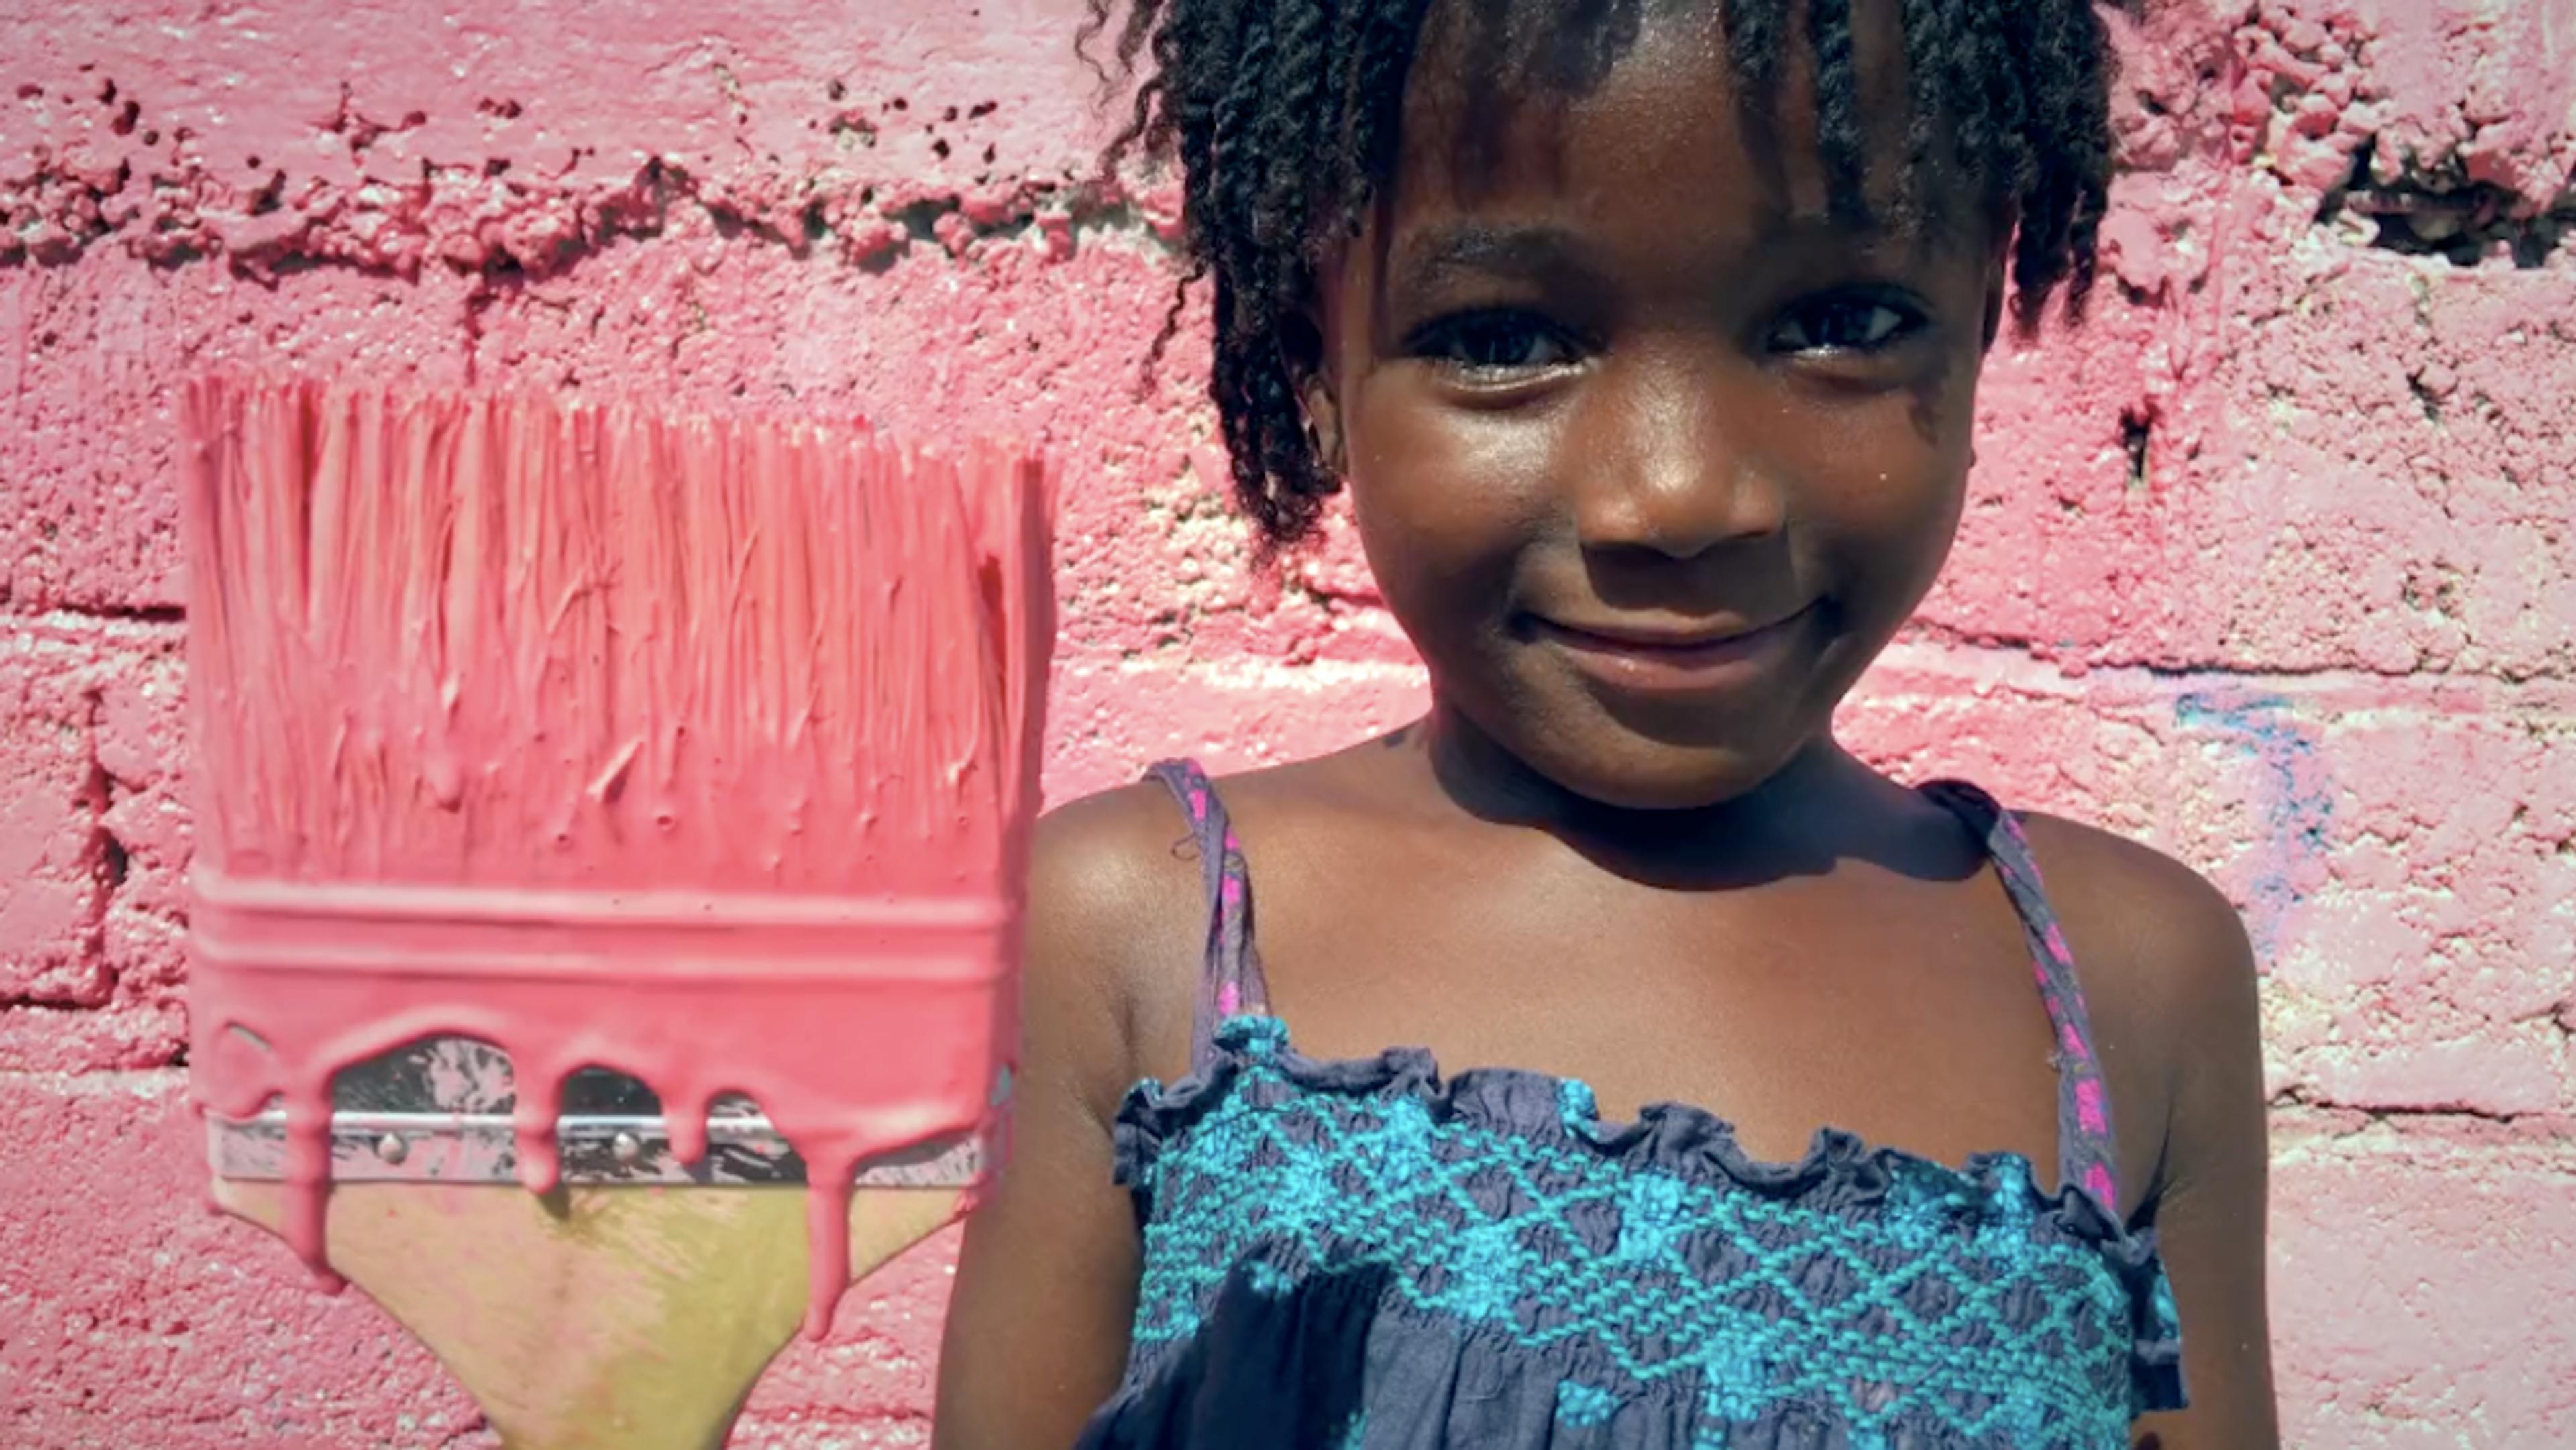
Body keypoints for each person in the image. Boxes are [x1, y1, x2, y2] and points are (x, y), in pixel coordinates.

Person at [936, 1, 2277, 1445]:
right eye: (1504, 338)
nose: (1683, 495)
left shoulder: (2127, 983)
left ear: (1976, 321)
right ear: (1312, 368)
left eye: (1841, 322)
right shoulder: (1142, 935)